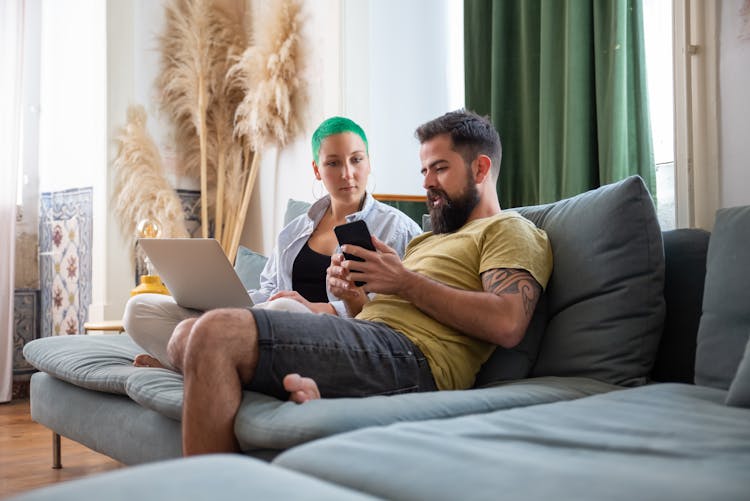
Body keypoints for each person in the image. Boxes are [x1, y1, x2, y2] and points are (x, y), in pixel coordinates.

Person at [166, 109, 553, 455]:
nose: (427, 184)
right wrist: (353, 297)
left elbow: (508, 322)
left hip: (416, 359)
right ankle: (308, 390)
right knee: (185, 335)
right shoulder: (427, 240)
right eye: (424, 172)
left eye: (440, 168)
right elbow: (378, 314)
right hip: (371, 341)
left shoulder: (510, 229)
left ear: (480, 169)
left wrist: (403, 281)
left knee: (214, 333)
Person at [123, 116, 421, 369]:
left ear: (368, 163)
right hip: (269, 321)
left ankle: (192, 363)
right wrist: (219, 299)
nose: (347, 173)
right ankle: (205, 364)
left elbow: (388, 312)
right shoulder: (294, 231)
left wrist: (309, 307)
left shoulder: (396, 228)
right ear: (317, 170)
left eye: (356, 159)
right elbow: (269, 290)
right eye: (333, 163)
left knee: (282, 312)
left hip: (329, 336)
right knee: (139, 309)